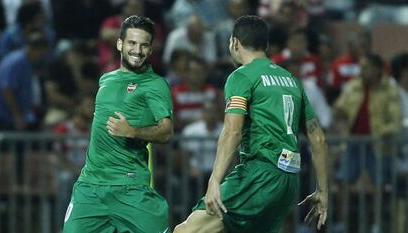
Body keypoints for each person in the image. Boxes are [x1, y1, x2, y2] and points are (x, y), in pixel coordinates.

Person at [173, 15, 328, 233]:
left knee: (187, 231)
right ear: (265, 46)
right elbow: (318, 138)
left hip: (259, 174)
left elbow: (232, 131)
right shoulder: (292, 81)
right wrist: (322, 190)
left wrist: (214, 181)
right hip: (288, 181)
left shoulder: (242, 76)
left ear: (234, 43)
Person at [62, 15, 173, 233]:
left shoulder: (156, 85)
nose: (138, 50)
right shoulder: (106, 79)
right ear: (120, 44)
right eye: (132, 43)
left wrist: (133, 131)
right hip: (89, 187)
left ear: (150, 50)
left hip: (129, 188)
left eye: (144, 45)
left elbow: (166, 131)